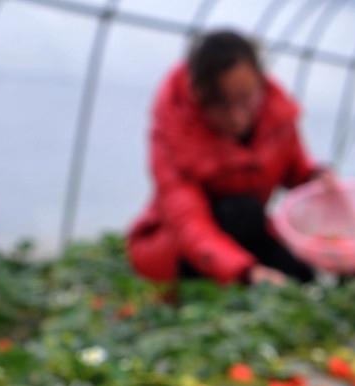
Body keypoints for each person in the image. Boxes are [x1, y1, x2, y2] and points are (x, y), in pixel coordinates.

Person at [127, 31, 329, 286]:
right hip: (180, 249)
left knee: (303, 276)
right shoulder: (174, 130)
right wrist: (245, 272)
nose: (236, 117)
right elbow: (188, 223)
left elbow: (295, 169)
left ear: (260, 82)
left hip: (245, 236)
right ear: (197, 94)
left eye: (245, 99)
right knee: (241, 212)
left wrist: (316, 176)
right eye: (220, 104)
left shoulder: (275, 114)